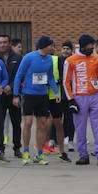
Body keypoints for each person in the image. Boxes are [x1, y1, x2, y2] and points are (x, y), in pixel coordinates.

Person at [12, 36, 60, 165]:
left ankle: (40, 154)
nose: (53, 48)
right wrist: (16, 94)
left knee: (42, 124)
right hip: (28, 95)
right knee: (28, 123)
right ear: (45, 46)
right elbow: (19, 75)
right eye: (51, 45)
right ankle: (26, 152)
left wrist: (56, 92)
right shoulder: (29, 57)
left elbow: (50, 77)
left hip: (42, 95)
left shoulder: (49, 59)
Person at [63, 34, 98, 166]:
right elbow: (66, 82)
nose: (92, 48)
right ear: (82, 46)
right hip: (79, 97)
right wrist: (71, 100)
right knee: (80, 128)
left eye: (93, 46)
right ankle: (83, 155)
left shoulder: (96, 58)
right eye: (89, 46)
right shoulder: (70, 60)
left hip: (95, 96)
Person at [0, 34, 23, 157]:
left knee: (16, 123)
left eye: (5, 42)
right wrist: (2, 87)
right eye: (0, 42)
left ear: (9, 44)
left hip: (14, 95)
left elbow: (21, 75)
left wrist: (11, 86)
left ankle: (17, 148)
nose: (2, 45)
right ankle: (0, 148)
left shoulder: (18, 58)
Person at [44, 47, 70, 162]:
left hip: (55, 95)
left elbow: (63, 77)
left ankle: (61, 151)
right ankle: (44, 147)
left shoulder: (57, 59)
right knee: (43, 121)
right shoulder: (36, 59)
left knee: (58, 122)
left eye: (51, 46)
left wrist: (56, 83)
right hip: (41, 94)